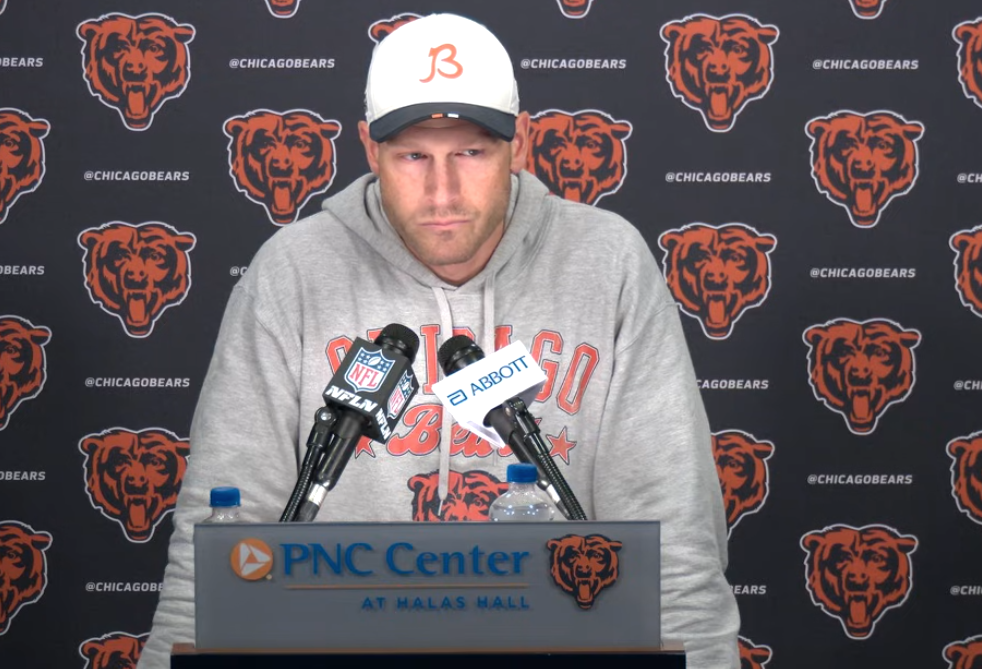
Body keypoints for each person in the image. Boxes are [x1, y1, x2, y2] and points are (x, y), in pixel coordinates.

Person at [138, 12, 739, 669]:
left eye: (472, 152)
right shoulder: (293, 271)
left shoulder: (609, 263)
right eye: (414, 154)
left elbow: (671, 538)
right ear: (370, 148)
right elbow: (223, 536)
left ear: (523, 142)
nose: (443, 190)